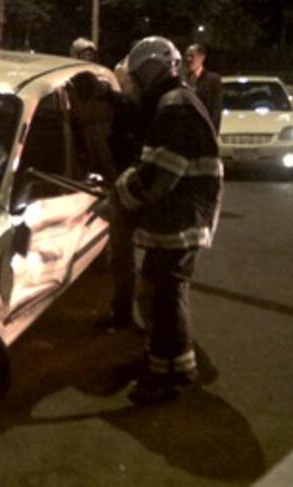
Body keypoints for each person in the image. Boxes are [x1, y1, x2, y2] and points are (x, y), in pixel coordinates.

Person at [96, 36, 223, 403]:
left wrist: (118, 199)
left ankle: (170, 377)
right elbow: (152, 164)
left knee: (163, 296)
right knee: (158, 293)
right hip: (177, 216)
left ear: (152, 68)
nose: (135, 82)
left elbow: (158, 174)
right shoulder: (173, 102)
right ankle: (165, 362)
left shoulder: (174, 107)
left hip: (180, 218)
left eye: (137, 74)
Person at [67, 71, 142, 331]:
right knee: (122, 257)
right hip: (118, 188)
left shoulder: (121, 115)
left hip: (134, 191)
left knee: (127, 257)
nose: (71, 109)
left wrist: (120, 195)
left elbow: (131, 162)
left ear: (89, 101)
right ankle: (125, 312)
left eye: (73, 102)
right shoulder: (94, 120)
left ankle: (128, 317)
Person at [183, 43, 223, 134]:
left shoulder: (212, 80)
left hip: (203, 130)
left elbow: (215, 109)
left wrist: (212, 132)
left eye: (192, 56)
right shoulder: (182, 78)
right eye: (187, 56)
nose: (188, 59)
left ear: (202, 57)